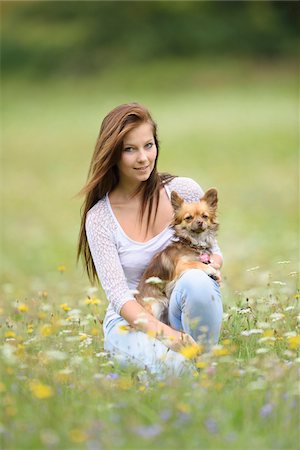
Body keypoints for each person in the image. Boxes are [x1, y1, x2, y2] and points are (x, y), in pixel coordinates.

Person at [77, 102, 223, 377]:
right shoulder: (100, 219)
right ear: (113, 155)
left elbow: (214, 253)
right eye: (130, 149)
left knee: (197, 281)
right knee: (178, 371)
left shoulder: (183, 190)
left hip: (180, 307)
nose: (143, 157)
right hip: (132, 322)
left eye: (148, 145)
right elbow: (120, 297)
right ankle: (188, 369)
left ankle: (206, 362)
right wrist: (169, 337)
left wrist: (209, 267)